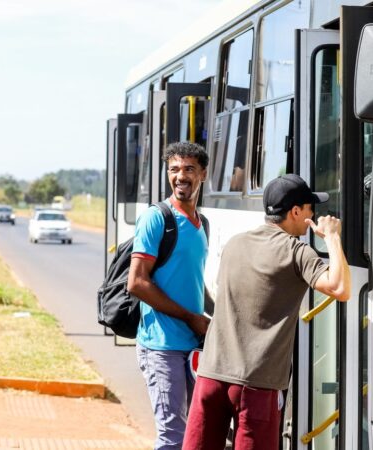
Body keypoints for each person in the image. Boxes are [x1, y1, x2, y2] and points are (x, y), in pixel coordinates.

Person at [182, 173, 351, 450]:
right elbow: (341, 288)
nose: (314, 215)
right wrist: (332, 238)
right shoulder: (297, 252)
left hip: (212, 374)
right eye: (311, 208)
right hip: (256, 384)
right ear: (296, 212)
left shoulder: (235, 243)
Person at [127, 141, 212, 450]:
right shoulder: (156, 218)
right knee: (172, 437)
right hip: (161, 346)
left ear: (203, 173)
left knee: (196, 435)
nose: (181, 176)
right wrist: (191, 317)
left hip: (191, 346)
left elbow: (191, 282)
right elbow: (136, 282)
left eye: (189, 169)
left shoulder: (203, 224)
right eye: (174, 169)